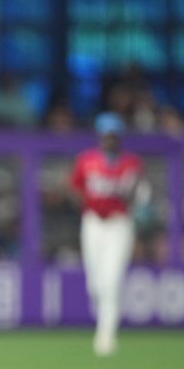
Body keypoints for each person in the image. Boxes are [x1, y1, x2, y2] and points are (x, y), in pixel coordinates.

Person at [70, 112, 143, 356]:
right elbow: (75, 188)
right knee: (95, 284)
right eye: (105, 135)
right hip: (92, 222)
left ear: (119, 137)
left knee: (111, 281)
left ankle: (106, 335)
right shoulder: (86, 160)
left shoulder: (130, 163)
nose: (108, 139)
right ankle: (104, 325)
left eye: (113, 135)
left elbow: (135, 195)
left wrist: (128, 194)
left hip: (118, 225)